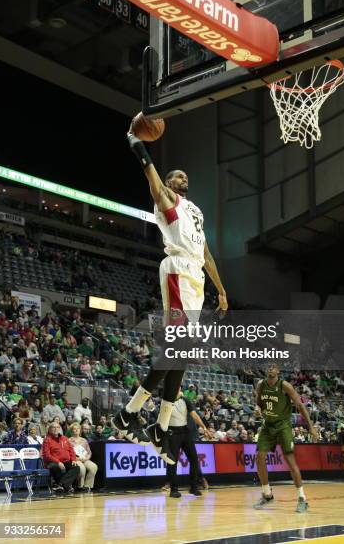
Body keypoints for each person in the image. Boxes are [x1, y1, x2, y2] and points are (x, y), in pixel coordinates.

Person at [112, 115, 228, 465]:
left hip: (197, 277)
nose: (183, 177)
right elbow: (149, 173)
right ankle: (129, 414)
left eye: (185, 176)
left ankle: (160, 426)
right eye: (177, 174)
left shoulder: (196, 211)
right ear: (167, 181)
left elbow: (206, 252)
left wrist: (221, 290)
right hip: (177, 269)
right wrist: (137, 144)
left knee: (183, 355)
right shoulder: (166, 200)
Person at [254, 364, 318, 513]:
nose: (270, 368)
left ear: (278, 371)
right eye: (268, 366)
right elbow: (259, 404)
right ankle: (267, 494)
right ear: (266, 370)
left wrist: (311, 427)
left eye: (273, 366)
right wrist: (258, 409)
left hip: (283, 426)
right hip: (268, 425)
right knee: (259, 457)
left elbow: (300, 407)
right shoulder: (260, 385)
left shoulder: (285, 386)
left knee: (290, 460)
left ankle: (302, 499)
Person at [166, 389, 211, 498]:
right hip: (172, 433)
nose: (178, 390)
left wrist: (204, 427)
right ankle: (174, 489)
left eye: (179, 388)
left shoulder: (185, 400)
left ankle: (193, 487)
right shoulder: (166, 401)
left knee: (194, 460)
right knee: (172, 462)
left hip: (185, 432)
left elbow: (194, 415)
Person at [42, 423, 80, 494]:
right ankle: (66, 486)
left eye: (57, 427)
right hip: (52, 462)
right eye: (53, 427)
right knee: (56, 467)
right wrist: (58, 462)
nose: (56, 429)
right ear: (50, 429)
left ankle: (61, 484)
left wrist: (74, 460)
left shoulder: (64, 438)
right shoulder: (47, 440)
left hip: (66, 461)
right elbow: (47, 455)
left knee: (76, 467)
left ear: (59, 429)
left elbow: (71, 450)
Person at [68, 422, 98, 492]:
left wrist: (87, 458)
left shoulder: (84, 440)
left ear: (80, 430)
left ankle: (87, 486)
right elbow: (68, 453)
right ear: (72, 430)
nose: (76, 430)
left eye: (78, 428)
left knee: (94, 467)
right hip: (75, 459)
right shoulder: (68, 440)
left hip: (85, 458)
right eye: (74, 429)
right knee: (82, 469)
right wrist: (76, 459)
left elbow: (89, 452)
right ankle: (80, 486)